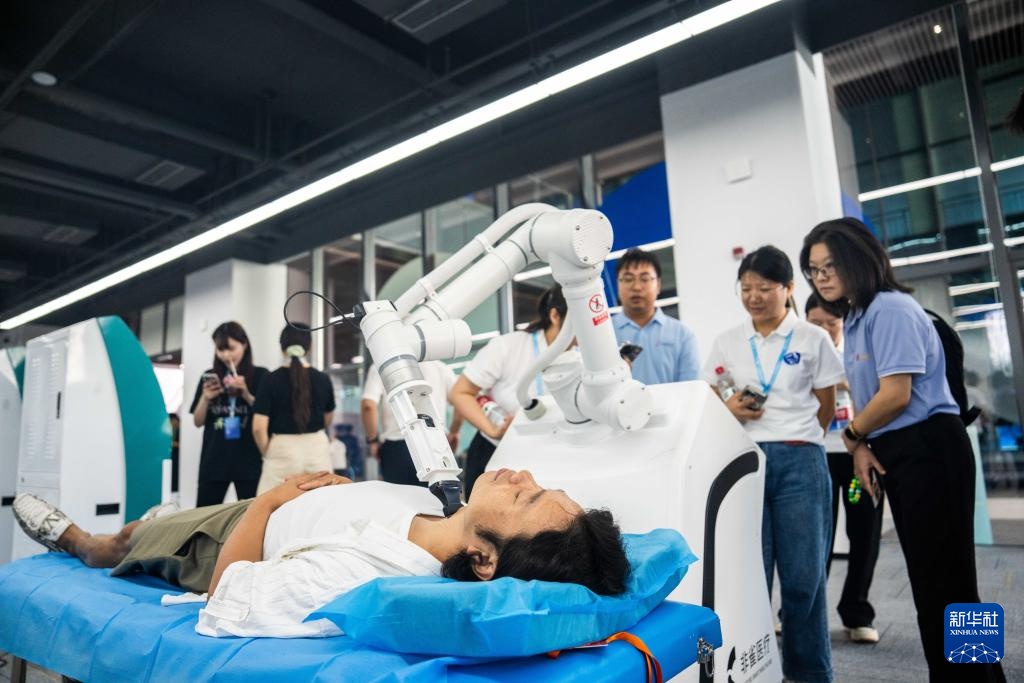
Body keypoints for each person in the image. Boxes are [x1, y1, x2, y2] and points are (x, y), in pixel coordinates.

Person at [12, 467, 630, 639]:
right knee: (156, 521)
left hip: (229, 533)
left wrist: (268, 503)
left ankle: (83, 543)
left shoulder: (368, 577)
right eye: (540, 484)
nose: (521, 475)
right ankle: (150, 524)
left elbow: (225, 595)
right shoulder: (446, 516)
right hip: (284, 503)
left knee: (123, 542)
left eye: (526, 498)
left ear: (484, 560)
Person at [801, 218, 1006, 683]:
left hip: (931, 447)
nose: (822, 277)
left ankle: (982, 679)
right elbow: (877, 398)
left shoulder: (889, 308)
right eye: (814, 269)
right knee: (932, 585)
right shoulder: (858, 316)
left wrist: (853, 436)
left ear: (859, 259)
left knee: (953, 585)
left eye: (831, 265)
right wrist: (863, 444)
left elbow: (895, 395)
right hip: (902, 450)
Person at [704, 246, 843, 683]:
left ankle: (809, 671)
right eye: (746, 288)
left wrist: (800, 435)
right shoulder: (727, 340)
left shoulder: (812, 337)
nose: (754, 297)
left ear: (788, 288)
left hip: (801, 459)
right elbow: (710, 395)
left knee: (804, 577)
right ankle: (756, 669)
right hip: (745, 461)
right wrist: (731, 408)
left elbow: (826, 404)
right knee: (752, 573)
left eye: (764, 288)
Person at [805, 292, 883, 645]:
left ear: (843, 323)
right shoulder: (799, 354)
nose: (823, 330)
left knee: (864, 532)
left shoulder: (860, 351)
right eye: (815, 323)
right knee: (814, 537)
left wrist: (848, 383)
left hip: (859, 456)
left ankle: (857, 613)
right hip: (816, 454)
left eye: (830, 323)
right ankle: (803, 612)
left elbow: (885, 394)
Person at [450, 285, 568, 498]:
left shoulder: (583, 356)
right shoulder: (509, 346)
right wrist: (493, 430)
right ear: (555, 316)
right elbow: (460, 393)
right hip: (495, 451)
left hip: (548, 453)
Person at [190, 322, 269, 506]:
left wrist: (246, 393)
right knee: (205, 513)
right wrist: (205, 398)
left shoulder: (261, 375)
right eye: (220, 349)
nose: (226, 355)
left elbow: (267, 415)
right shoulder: (210, 376)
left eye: (231, 349)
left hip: (249, 459)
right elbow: (197, 421)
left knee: (252, 512)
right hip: (214, 459)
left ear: (244, 345)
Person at [252, 325, 336, 494]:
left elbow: (258, 428)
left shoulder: (270, 379)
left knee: (272, 504)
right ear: (310, 347)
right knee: (322, 502)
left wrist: (269, 452)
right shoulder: (323, 379)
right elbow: (328, 417)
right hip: (317, 447)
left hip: (282, 449)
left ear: (282, 347)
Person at [362, 361, 463, 486]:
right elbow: (461, 403)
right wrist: (454, 432)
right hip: (436, 445)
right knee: (435, 497)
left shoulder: (382, 365)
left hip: (397, 448)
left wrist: (373, 440)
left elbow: (368, 405)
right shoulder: (440, 367)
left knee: (398, 497)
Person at [612, 248, 699, 385]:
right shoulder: (603, 334)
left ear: (658, 285)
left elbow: (690, 388)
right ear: (618, 284)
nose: (636, 287)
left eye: (644, 279)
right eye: (628, 279)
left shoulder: (682, 335)